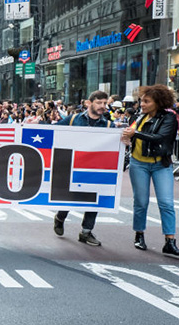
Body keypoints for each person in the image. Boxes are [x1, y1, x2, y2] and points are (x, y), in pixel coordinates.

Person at [121, 85, 179, 257]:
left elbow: (160, 138)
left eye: (146, 101)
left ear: (158, 103)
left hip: (161, 164)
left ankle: (170, 241)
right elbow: (130, 134)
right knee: (141, 201)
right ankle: (139, 235)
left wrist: (135, 133)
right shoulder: (140, 117)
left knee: (166, 203)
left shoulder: (169, 118)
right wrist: (126, 137)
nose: (142, 104)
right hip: (138, 163)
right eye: (141, 101)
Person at [53, 91, 113, 246]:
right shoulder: (73, 119)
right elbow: (53, 132)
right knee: (69, 197)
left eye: (105, 103)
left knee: (94, 199)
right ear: (89, 103)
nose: (102, 106)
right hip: (73, 166)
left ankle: (86, 232)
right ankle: (60, 217)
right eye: (99, 103)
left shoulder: (108, 125)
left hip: (95, 169)